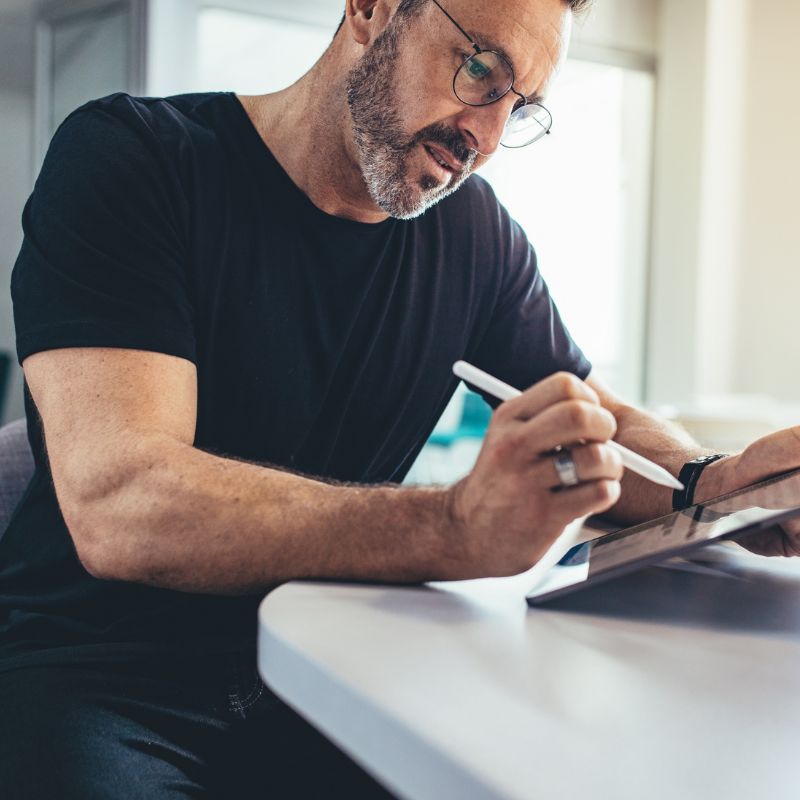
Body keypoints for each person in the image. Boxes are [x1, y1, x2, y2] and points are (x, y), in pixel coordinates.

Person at [1, 0, 798, 797]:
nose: (484, 140)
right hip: (101, 680)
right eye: (480, 68)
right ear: (371, 9)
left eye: (518, 108)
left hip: (323, 669)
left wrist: (709, 481)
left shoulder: (475, 237)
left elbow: (588, 415)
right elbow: (123, 506)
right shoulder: (134, 160)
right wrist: (453, 527)